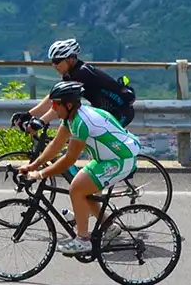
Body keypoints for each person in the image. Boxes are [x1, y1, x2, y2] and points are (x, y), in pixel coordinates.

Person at [19, 80, 141, 258]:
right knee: (85, 190)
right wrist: (33, 165)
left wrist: (40, 174)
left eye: (56, 104)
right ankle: (110, 226)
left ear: (68, 105)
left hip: (120, 159)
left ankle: (83, 240)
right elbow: (55, 145)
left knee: (76, 188)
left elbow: (69, 159)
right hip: (106, 158)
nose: (53, 108)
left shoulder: (81, 122)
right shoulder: (71, 118)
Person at [23, 38, 135, 128]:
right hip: (104, 112)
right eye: (52, 61)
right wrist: (29, 114)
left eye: (57, 61)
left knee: (82, 139)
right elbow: (53, 98)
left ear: (70, 59)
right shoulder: (72, 73)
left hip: (119, 113)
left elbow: (58, 105)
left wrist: (41, 121)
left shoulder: (81, 74)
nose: (54, 65)